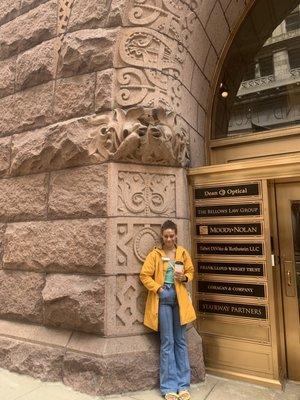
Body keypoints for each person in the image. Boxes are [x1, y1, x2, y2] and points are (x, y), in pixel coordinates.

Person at [140, 220, 196, 400]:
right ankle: (168, 387)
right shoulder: (155, 255)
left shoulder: (182, 253)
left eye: (172, 235)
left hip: (179, 299)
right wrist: (159, 289)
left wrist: (185, 277)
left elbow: (191, 271)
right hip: (164, 299)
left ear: (176, 235)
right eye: (166, 236)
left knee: (180, 341)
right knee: (167, 342)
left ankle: (184, 385)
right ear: (162, 236)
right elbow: (144, 275)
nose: (169, 239)